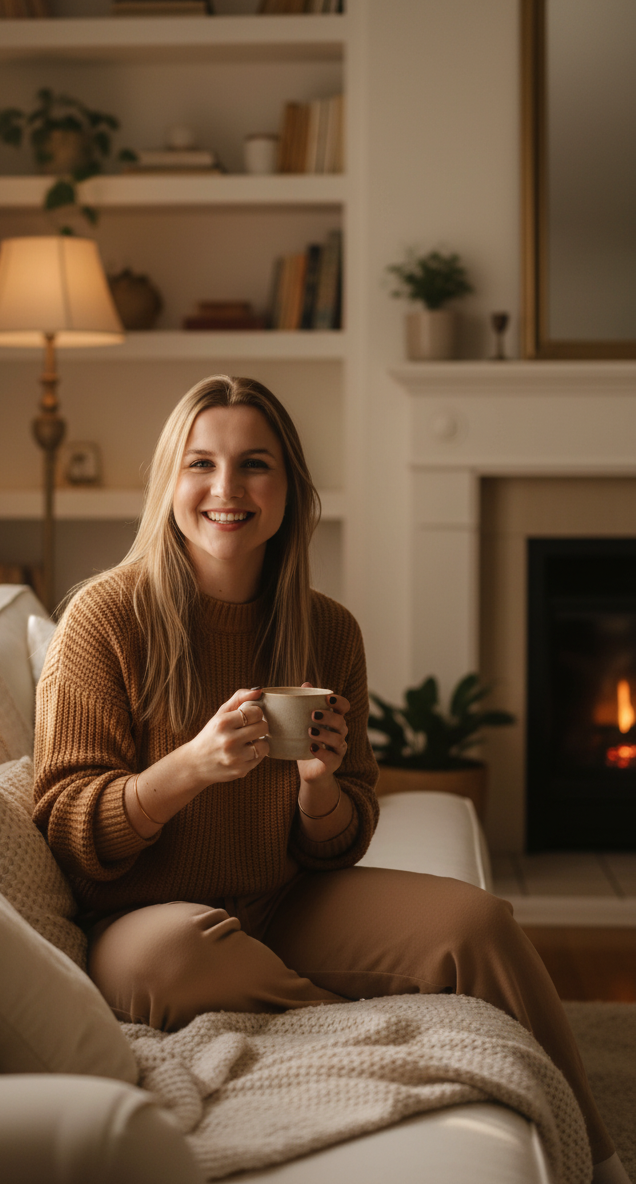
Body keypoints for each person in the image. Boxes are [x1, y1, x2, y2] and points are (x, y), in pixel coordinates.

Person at [34, 374, 624, 1182]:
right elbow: (66, 826)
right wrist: (191, 767)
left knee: (478, 924)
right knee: (165, 962)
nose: (227, 489)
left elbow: (344, 836)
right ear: (169, 482)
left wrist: (319, 788)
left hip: (285, 898)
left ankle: (599, 1156)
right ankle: (369, 1023)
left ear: (289, 491)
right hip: (147, 912)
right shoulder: (106, 618)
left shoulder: (327, 629)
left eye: (255, 465)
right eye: (201, 464)